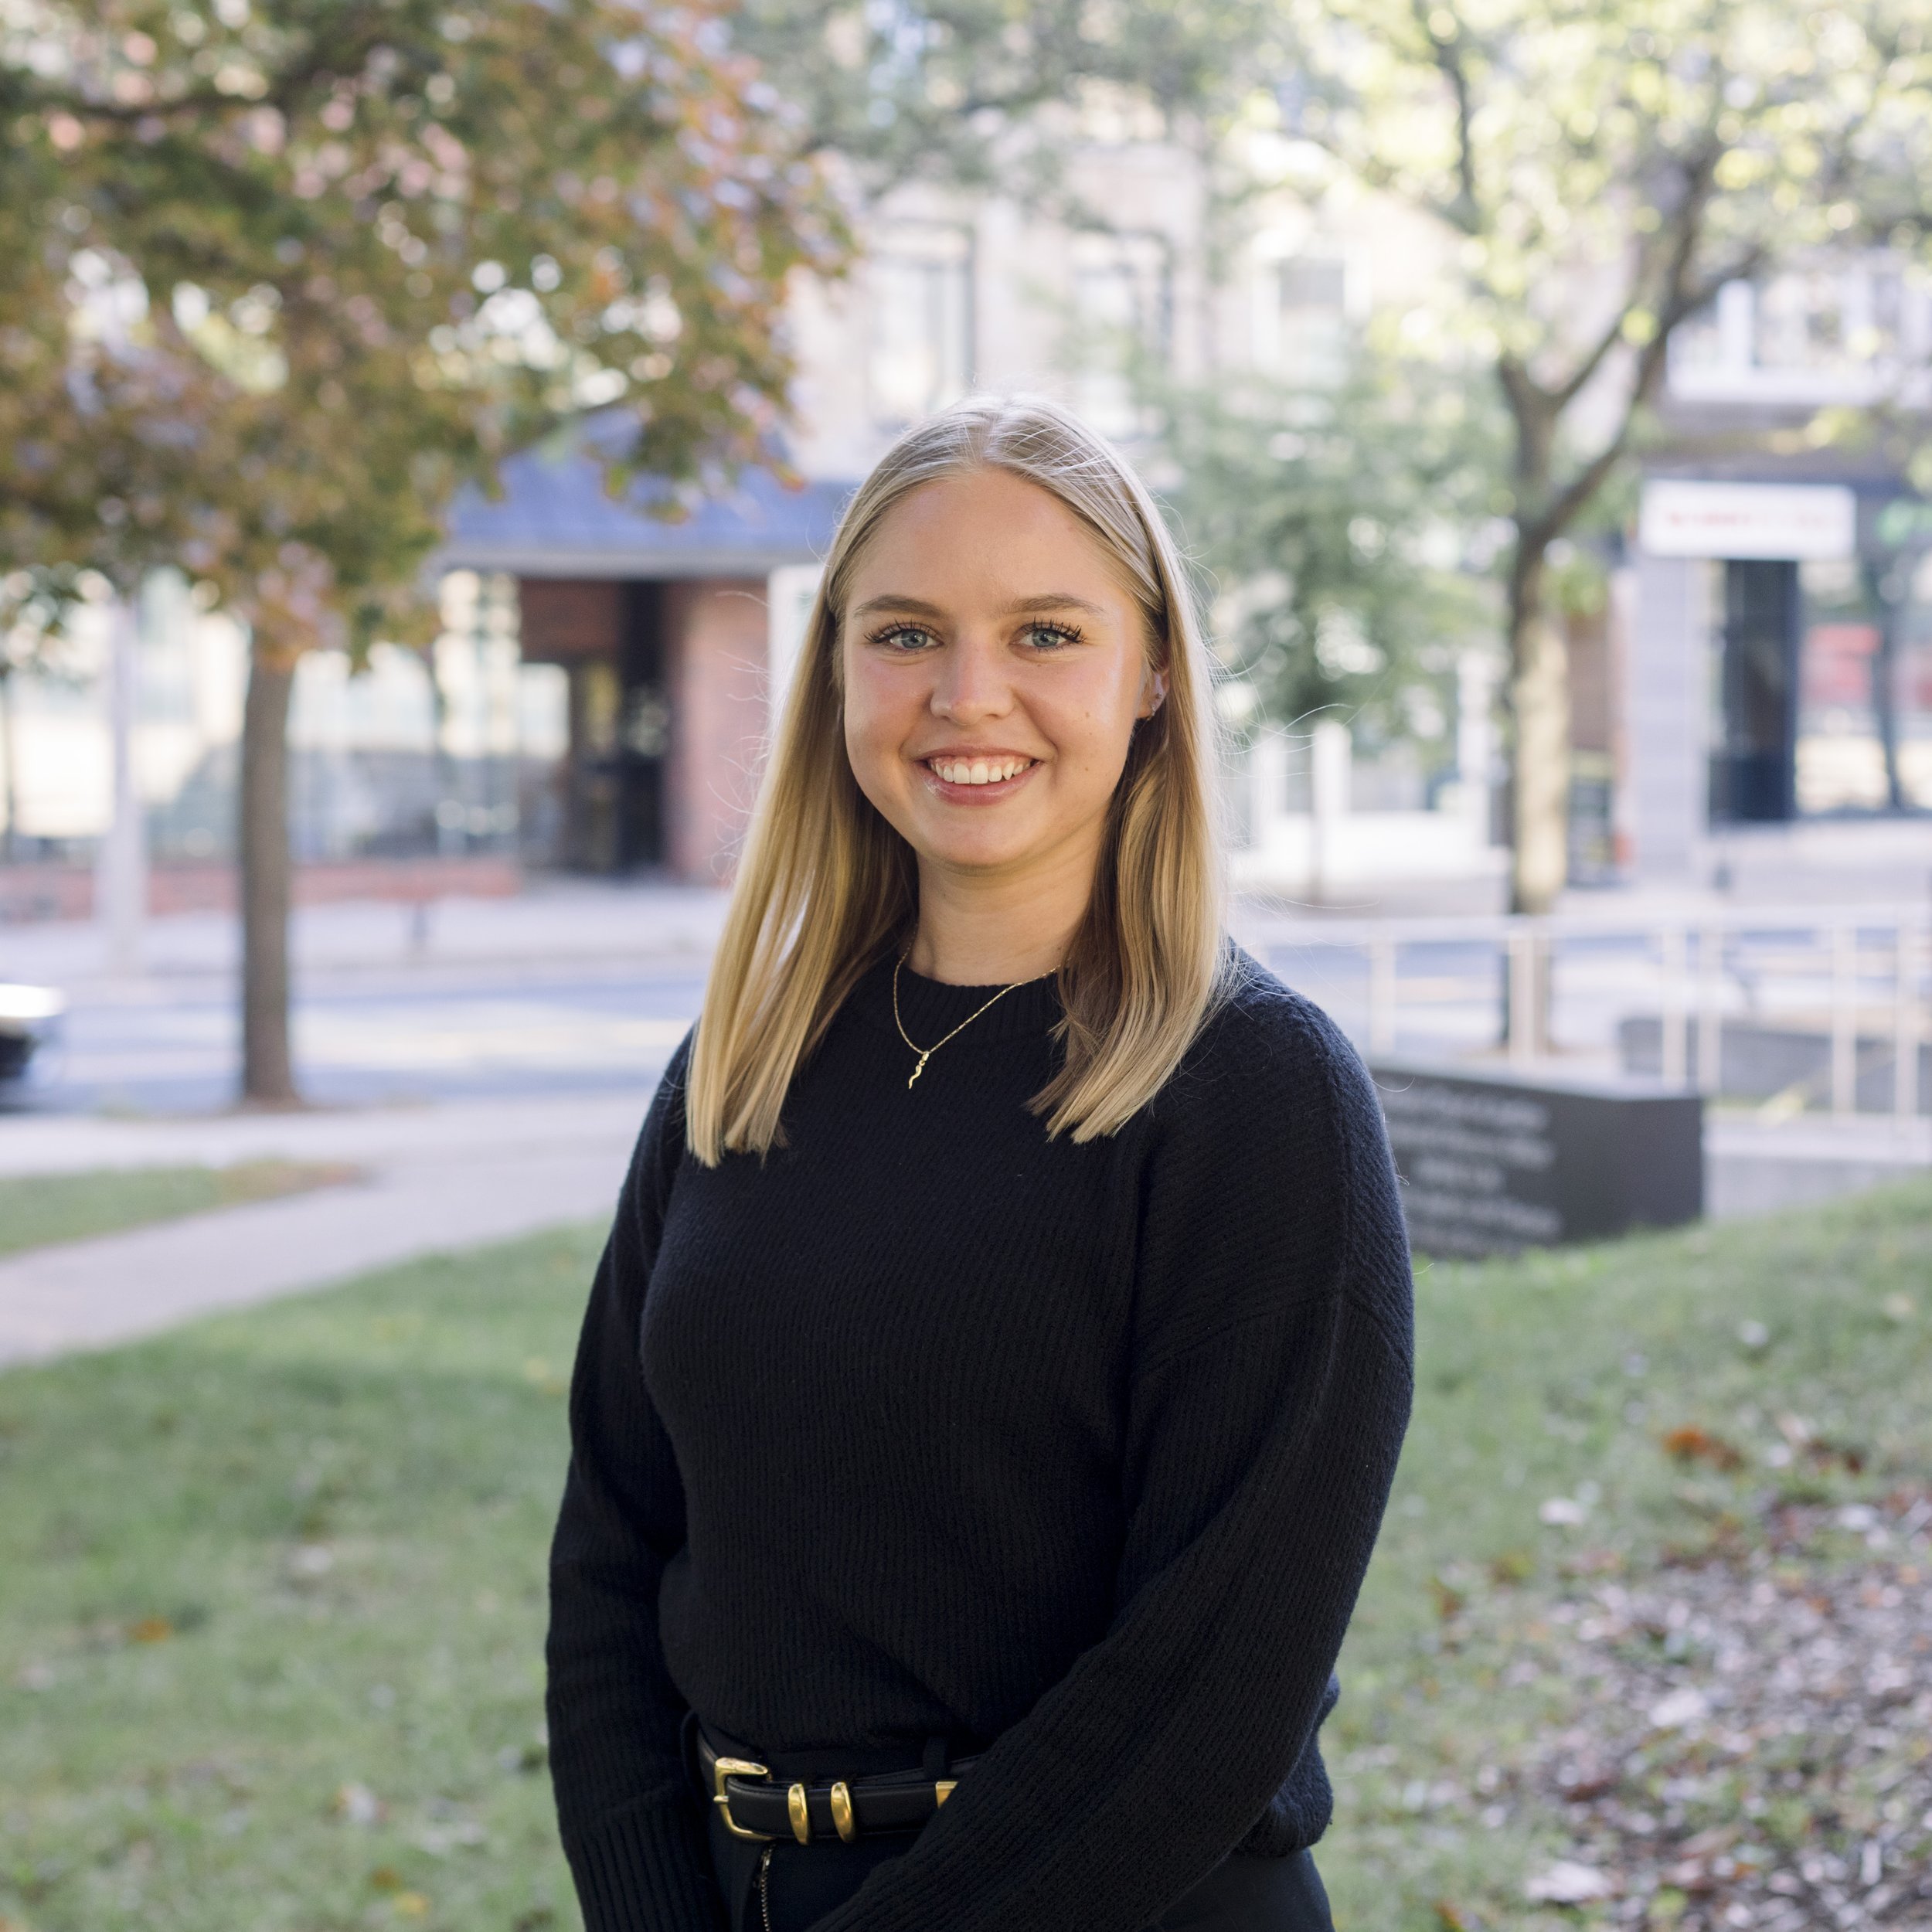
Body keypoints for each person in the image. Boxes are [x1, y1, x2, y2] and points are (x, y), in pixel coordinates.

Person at [546, 396, 1413, 1932]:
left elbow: (1208, 1687)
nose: (964, 695)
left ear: (1150, 673)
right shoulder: (740, 1061)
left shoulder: (1256, 1094)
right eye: (901, 633)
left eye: (1044, 634)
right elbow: (613, 1546)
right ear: (830, 670)